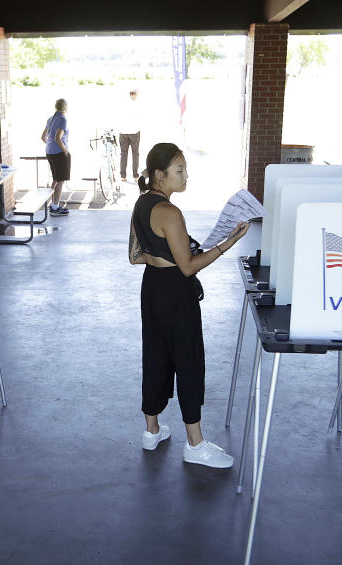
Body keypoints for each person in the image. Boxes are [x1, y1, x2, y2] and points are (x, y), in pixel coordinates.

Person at [129, 142, 249, 468]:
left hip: (152, 288)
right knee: (188, 360)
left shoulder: (141, 204)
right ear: (159, 174)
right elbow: (188, 267)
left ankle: (151, 431)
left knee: (155, 355)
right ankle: (195, 444)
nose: (185, 176)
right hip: (175, 293)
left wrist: (163, 251)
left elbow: (135, 255)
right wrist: (229, 242)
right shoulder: (170, 212)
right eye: (179, 170)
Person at [42, 98, 70, 216]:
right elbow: (57, 138)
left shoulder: (50, 118)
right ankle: (55, 208)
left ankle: (54, 206)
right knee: (60, 180)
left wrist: (51, 146)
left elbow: (43, 137)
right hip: (59, 153)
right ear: (65, 107)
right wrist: (65, 152)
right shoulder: (62, 118)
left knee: (55, 179)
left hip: (49, 151)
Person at [119, 89, 141, 182]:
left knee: (123, 154)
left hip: (123, 132)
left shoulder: (122, 102)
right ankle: (136, 176)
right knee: (135, 154)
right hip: (134, 132)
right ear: (135, 94)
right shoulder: (137, 104)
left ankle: (123, 176)